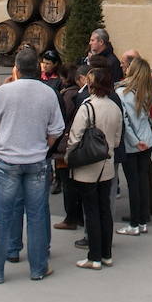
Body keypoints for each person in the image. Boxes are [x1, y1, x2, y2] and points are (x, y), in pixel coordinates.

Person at [0, 47, 64, 284]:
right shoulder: (47, 93)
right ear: (37, 67)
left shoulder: (5, 91)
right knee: (36, 216)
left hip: (8, 160)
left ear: (16, 67)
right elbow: (57, 129)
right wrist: (45, 145)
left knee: (2, 216)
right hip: (36, 159)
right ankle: (38, 267)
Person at [68, 66, 122, 270]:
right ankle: (106, 253)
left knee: (90, 211)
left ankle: (95, 256)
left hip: (87, 165)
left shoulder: (87, 106)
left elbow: (75, 136)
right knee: (104, 210)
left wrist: (71, 154)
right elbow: (116, 140)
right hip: (106, 163)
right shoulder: (115, 107)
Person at [115, 56, 152, 236]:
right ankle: (142, 220)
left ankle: (135, 223)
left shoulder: (122, 93)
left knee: (133, 184)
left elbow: (124, 121)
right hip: (147, 140)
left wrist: (134, 141)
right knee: (142, 181)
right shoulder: (145, 89)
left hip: (132, 143)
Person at [52, 64, 87, 233]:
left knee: (68, 182)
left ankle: (71, 217)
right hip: (77, 143)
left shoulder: (68, 95)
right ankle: (79, 216)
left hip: (65, 144)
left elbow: (61, 118)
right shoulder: (80, 94)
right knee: (76, 181)